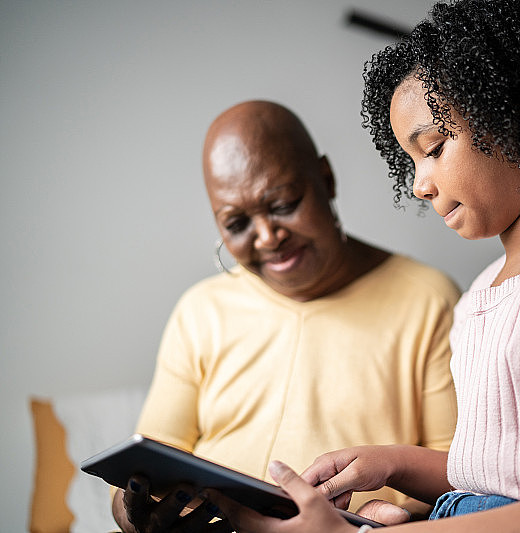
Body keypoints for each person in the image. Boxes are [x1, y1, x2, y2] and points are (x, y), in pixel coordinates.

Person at [203, 1, 520, 533]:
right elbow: (513, 475)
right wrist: (397, 463)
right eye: (409, 161)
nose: (418, 183)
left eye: (433, 147)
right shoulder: (483, 294)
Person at [111, 100, 462, 532]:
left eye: (282, 203)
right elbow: (148, 461)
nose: (268, 237)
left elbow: (457, 476)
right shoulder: (200, 310)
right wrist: (132, 514)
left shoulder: (427, 299)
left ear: (326, 180)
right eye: (236, 223)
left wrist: (380, 524)